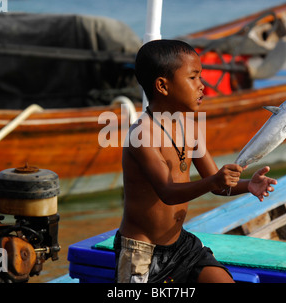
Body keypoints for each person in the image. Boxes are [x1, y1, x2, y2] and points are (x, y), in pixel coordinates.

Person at [114, 39, 277, 283]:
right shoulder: (142, 135)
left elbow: (220, 185)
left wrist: (247, 185)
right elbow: (167, 192)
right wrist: (214, 181)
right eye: (193, 78)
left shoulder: (189, 127)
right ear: (163, 86)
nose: (202, 85)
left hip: (181, 246)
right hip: (141, 253)